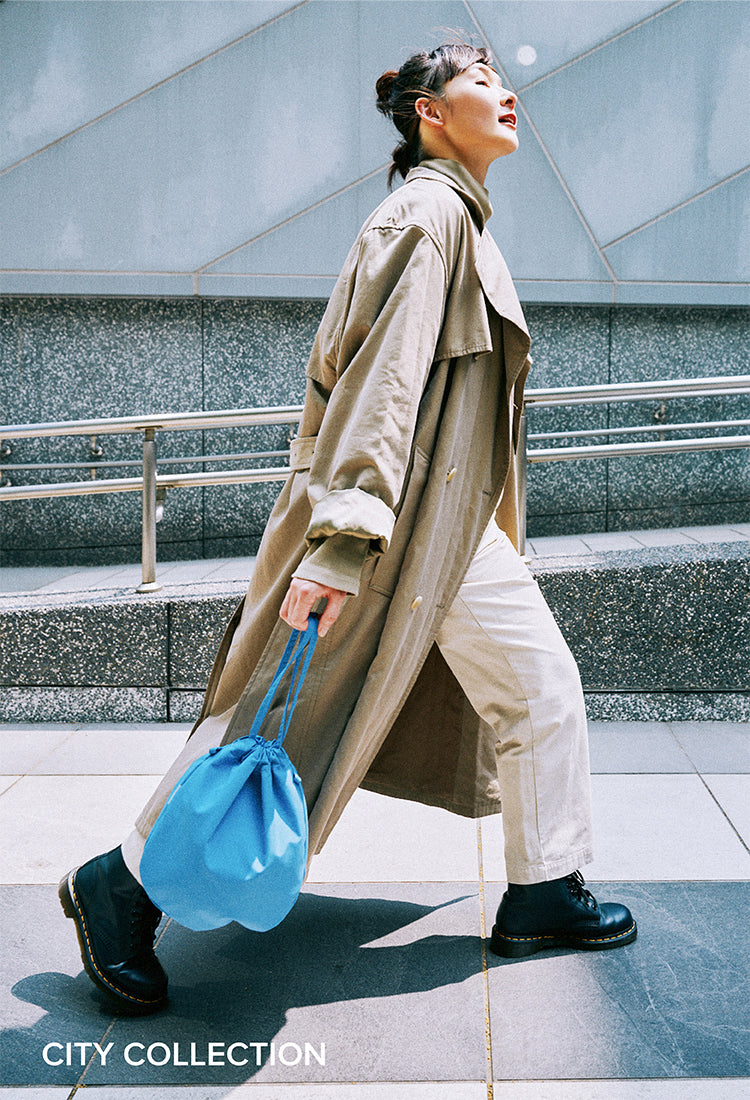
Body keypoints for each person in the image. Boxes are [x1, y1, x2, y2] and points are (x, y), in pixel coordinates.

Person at [59, 42, 636, 1015]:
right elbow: (382, 386)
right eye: (481, 80)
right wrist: (341, 540)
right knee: (286, 713)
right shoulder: (428, 216)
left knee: (534, 685)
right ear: (429, 113)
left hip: (439, 524)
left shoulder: (452, 217)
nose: (507, 93)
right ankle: (120, 883)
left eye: (503, 79)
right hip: (391, 521)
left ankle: (545, 885)